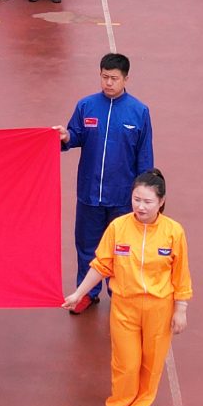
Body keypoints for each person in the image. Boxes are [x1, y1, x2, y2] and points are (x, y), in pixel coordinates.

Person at [61, 170, 189, 406]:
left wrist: (181, 309)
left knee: (151, 364)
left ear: (161, 202)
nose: (141, 207)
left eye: (148, 201)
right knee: (126, 363)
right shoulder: (118, 227)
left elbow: (181, 274)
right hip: (124, 307)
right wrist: (78, 293)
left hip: (159, 308)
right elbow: (100, 265)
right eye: (136, 199)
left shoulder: (173, 232)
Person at [60, 54, 157, 299]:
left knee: (122, 249)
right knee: (87, 247)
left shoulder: (139, 112)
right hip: (89, 194)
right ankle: (87, 295)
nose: (109, 83)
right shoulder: (86, 106)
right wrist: (66, 137)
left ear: (126, 79)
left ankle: (119, 294)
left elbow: (145, 157)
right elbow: (75, 135)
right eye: (105, 77)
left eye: (114, 78)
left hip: (122, 198)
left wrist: (143, 197)